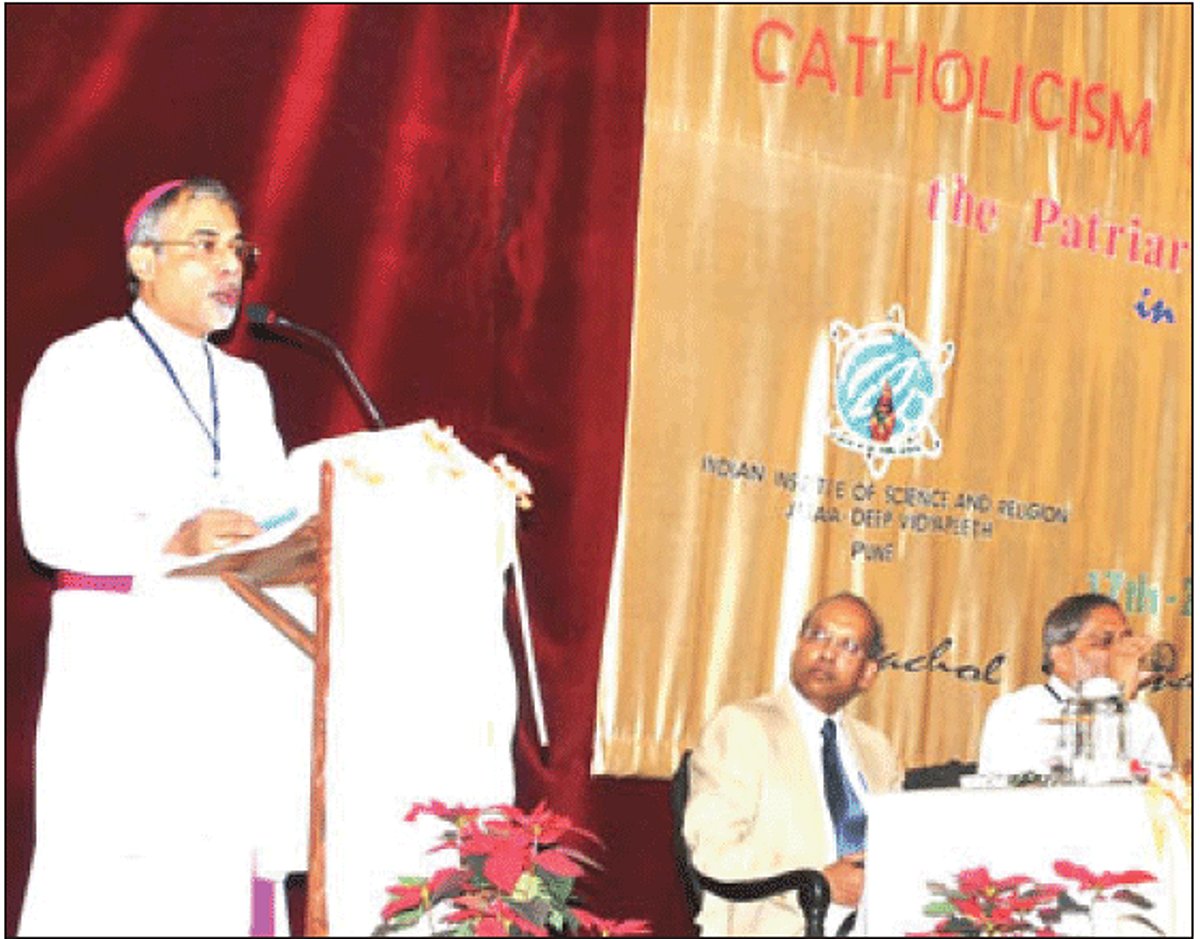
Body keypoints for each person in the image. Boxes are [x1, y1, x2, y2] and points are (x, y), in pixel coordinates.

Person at [16, 178, 311, 935]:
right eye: (205, 245)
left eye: (238, 250)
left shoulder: (247, 386)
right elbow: (45, 523)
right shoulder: (79, 362)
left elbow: (270, 512)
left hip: (230, 675)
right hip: (122, 669)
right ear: (143, 260)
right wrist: (167, 540)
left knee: (217, 884)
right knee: (122, 885)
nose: (231, 268)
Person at [683, 593, 903, 936]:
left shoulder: (878, 750)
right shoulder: (743, 727)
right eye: (817, 636)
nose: (827, 652)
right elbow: (715, 852)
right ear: (798, 647)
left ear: (868, 674)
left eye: (848, 646)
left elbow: (899, 849)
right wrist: (818, 879)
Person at [977, 593, 1172, 777]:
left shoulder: (1141, 715)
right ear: (1060, 656)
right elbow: (1086, 783)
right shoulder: (1018, 710)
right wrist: (1115, 695)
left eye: (1125, 639)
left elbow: (1159, 788)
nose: (1122, 652)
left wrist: (1120, 697)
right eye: (1105, 642)